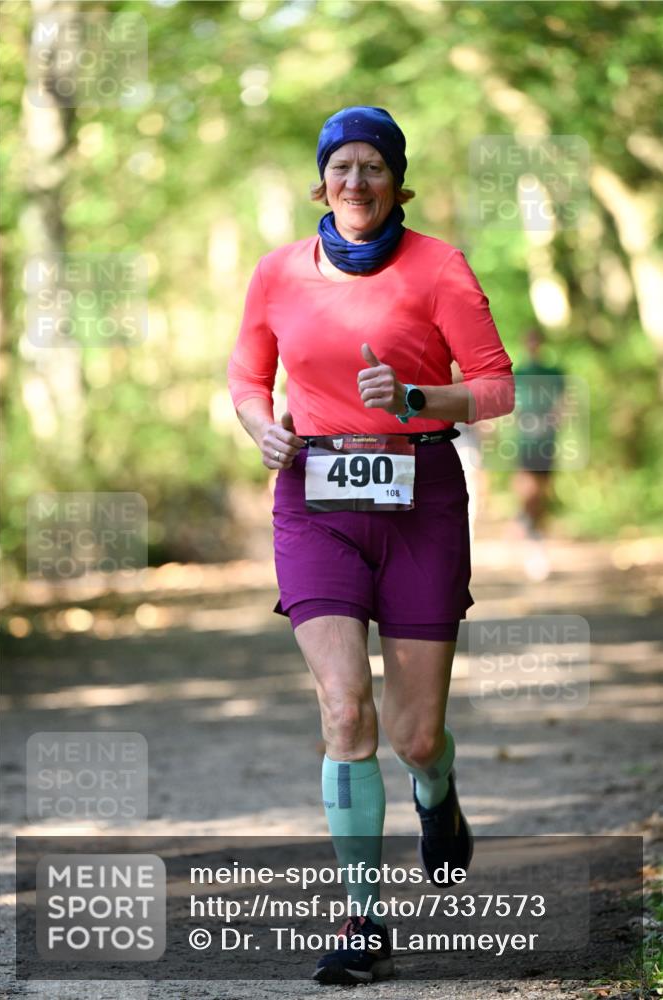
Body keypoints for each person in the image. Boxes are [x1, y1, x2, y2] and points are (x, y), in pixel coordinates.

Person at [228, 106, 514, 985]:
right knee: (345, 711)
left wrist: (419, 400)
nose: (356, 181)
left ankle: (439, 795)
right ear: (321, 181)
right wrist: (258, 427)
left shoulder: (439, 266)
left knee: (414, 733)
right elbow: (247, 376)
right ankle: (363, 920)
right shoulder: (277, 272)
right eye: (341, 167)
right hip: (312, 501)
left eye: (373, 167)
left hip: (419, 495)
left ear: (397, 181)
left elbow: (495, 389)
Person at [512, 328, 566, 579]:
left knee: (542, 494)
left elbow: (564, 403)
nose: (532, 344)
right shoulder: (518, 373)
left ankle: (537, 539)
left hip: (547, 441)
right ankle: (534, 546)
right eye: (529, 340)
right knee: (529, 493)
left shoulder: (554, 373)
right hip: (524, 443)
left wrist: (550, 422)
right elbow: (510, 406)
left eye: (536, 340)